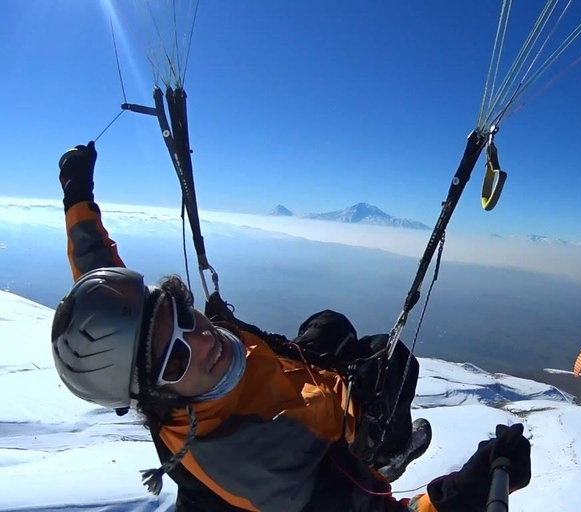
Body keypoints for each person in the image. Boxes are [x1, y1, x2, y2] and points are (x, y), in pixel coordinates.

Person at [51, 141, 532, 512]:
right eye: (177, 358)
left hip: (291, 375)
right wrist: (470, 488)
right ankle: (382, 453)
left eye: (181, 315)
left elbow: (105, 287)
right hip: (330, 433)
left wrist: (76, 194)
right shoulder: (274, 470)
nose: (201, 340)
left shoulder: (137, 368)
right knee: (395, 362)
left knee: (329, 325)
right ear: (157, 397)